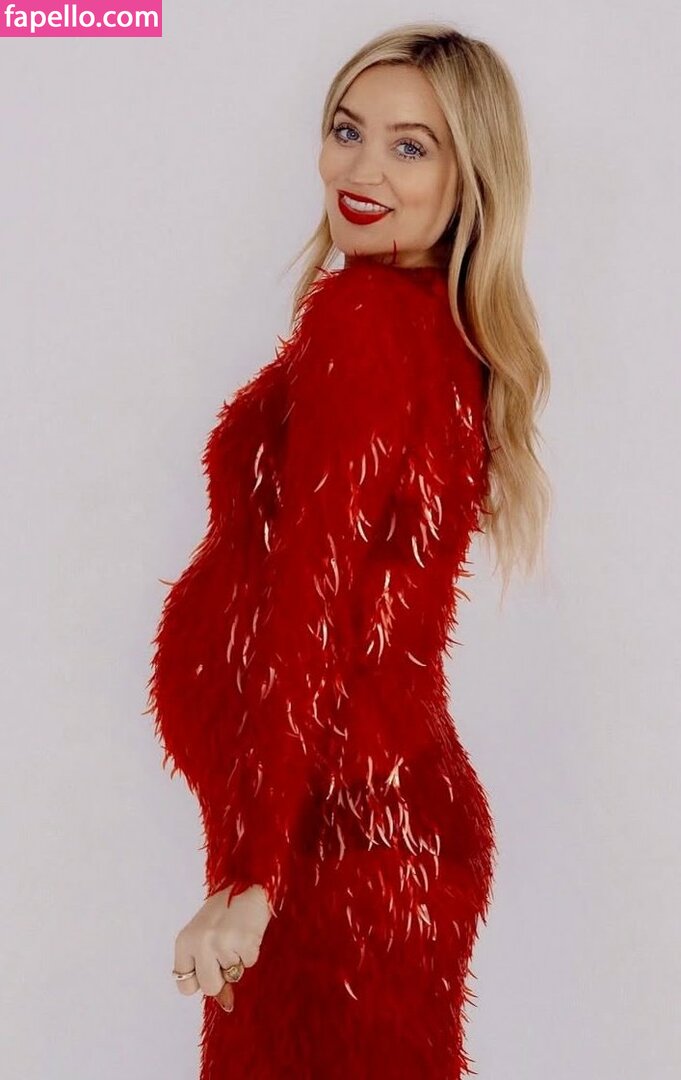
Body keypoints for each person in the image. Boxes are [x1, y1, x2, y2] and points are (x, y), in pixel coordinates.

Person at [146, 21, 551, 1079]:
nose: (361, 171)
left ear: (470, 179)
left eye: (410, 147)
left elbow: (313, 603)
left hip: (336, 850)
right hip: (360, 831)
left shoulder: (366, 321)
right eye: (346, 130)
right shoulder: (431, 327)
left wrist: (252, 877)